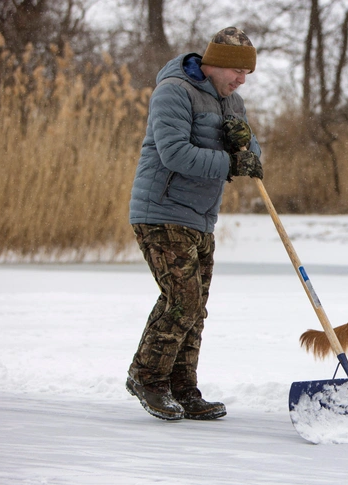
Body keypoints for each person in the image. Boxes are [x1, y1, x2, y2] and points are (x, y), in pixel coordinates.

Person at [126, 27, 263, 421]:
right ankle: (147, 377)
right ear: (216, 62)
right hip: (161, 210)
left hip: (201, 218)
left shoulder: (232, 102)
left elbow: (251, 152)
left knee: (196, 307)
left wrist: (247, 149)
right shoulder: (174, 90)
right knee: (182, 300)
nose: (241, 81)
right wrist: (231, 162)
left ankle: (183, 387)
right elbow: (174, 154)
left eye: (246, 75)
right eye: (238, 72)